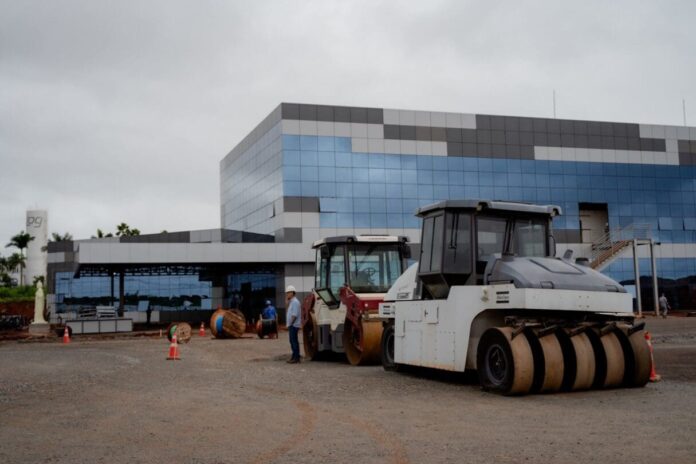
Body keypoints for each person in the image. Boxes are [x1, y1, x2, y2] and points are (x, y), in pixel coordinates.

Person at [285, 285, 302, 363]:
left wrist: (290, 323)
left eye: (288, 292)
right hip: (292, 325)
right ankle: (294, 356)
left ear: (292, 293)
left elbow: (294, 315)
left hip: (294, 325)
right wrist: (287, 302)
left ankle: (296, 357)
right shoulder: (292, 302)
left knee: (294, 341)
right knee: (292, 341)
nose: (287, 294)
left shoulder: (295, 302)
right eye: (287, 293)